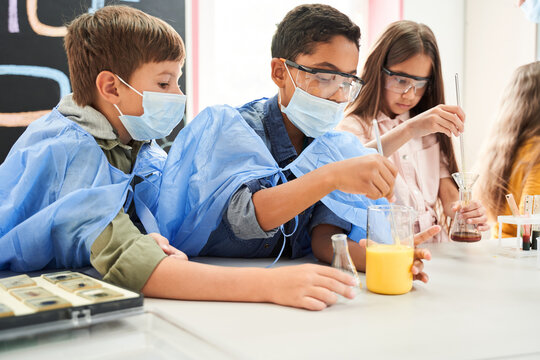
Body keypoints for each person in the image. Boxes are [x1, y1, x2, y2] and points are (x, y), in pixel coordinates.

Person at [0, 5, 363, 311]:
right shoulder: (70, 150)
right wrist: (269, 286)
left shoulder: (133, 142)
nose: (177, 95)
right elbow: (134, 266)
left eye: (177, 80)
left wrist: (143, 235)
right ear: (111, 87)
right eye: (163, 84)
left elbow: (118, 227)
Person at [149, 5, 437, 284]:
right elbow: (245, 217)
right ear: (279, 73)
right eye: (325, 77)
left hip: (288, 289)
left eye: (347, 81)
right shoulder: (234, 128)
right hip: (212, 284)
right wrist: (332, 177)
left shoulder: (332, 146)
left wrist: (389, 258)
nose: (338, 94)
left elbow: (325, 239)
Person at [338, 20, 489, 242]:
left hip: (438, 248)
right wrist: (410, 129)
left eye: (420, 84)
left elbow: (449, 198)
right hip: (391, 251)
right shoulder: (354, 126)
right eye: (400, 80)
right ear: (377, 71)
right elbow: (351, 167)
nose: (409, 95)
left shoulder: (430, 129)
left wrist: (465, 210)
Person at [476, 61, 540, 238]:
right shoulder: (536, 153)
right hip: (527, 257)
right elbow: (532, 225)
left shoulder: (503, 149)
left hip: (501, 249)